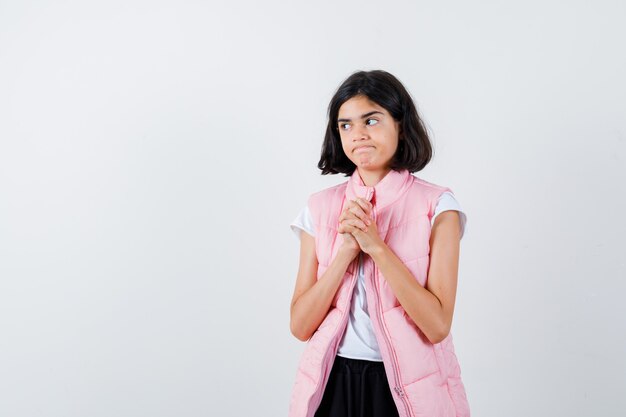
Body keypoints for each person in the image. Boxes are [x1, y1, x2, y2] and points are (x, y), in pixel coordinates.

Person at [288, 70, 471, 417]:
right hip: (332, 382)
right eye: (345, 125)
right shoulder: (318, 208)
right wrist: (345, 253)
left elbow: (437, 326)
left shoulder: (438, 207)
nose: (357, 134)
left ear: (400, 124)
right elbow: (300, 326)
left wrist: (376, 247)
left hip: (406, 388)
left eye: (371, 120)